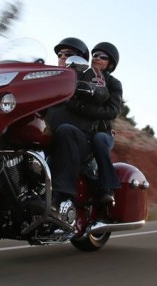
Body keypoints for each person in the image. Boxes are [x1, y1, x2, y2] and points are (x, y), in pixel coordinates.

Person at [46, 37, 111, 211]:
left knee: (65, 131)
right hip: (50, 133)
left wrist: (85, 87)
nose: (62, 57)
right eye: (60, 54)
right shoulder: (49, 76)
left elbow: (101, 92)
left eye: (68, 55)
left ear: (80, 59)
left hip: (81, 139)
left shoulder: (91, 74)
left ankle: (62, 195)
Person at [66, 42, 122, 205]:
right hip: (82, 130)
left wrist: (82, 108)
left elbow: (113, 111)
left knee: (98, 140)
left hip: (103, 133)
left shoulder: (113, 83)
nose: (97, 58)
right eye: (95, 55)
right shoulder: (82, 76)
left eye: (102, 57)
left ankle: (108, 189)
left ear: (110, 63)